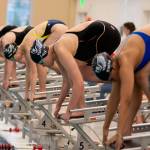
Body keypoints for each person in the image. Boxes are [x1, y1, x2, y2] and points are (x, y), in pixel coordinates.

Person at [30, 20, 121, 121]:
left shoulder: (60, 48)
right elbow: (66, 83)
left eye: (42, 63)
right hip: (102, 34)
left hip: (107, 35)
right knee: (77, 74)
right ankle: (118, 79)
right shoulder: (57, 52)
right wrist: (58, 106)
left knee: (80, 75)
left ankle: (119, 79)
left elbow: (79, 83)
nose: (44, 66)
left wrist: (69, 112)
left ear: (43, 55)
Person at [91, 24, 150, 149]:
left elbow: (125, 101)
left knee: (142, 78)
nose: (114, 81)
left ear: (113, 66)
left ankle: (123, 133)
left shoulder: (125, 62)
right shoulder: (116, 65)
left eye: (112, 78)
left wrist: (118, 133)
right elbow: (113, 100)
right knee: (138, 83)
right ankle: (126, 133)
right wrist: (105, 127)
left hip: (146, 42)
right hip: (144, 46)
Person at [3, 20, 68, 100]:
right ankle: (63, 72)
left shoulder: (27, 48)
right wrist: (27, 92)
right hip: (55, 27)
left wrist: (32, 93)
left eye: (13, 59)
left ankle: (43, 91)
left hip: (57, 29)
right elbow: (28, 72)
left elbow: (33, 73)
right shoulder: (23, 47)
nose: (16, 61)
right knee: (42, 59)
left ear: (15, 53)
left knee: (40, 60)